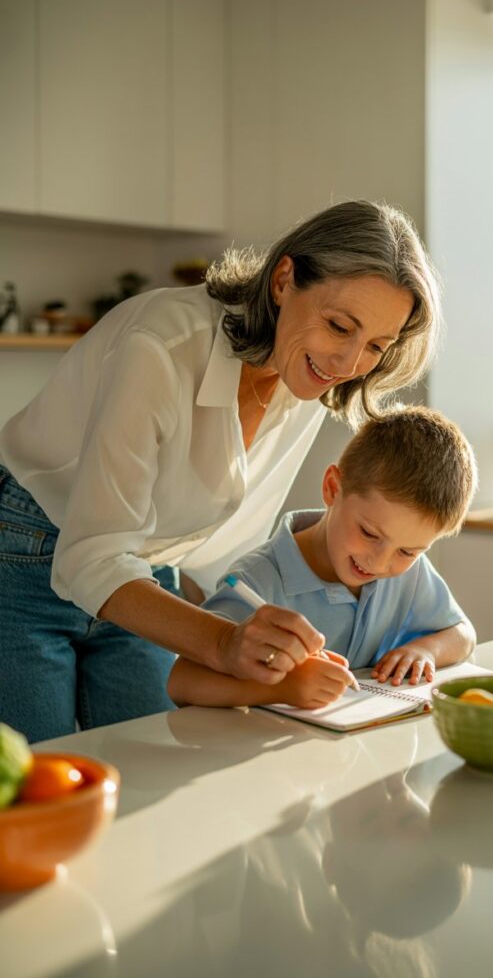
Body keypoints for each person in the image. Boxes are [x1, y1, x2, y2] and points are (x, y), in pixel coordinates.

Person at [0, 200, 442, 744]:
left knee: (151, 769)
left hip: (143, 570)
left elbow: (227, 536)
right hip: (24, 554)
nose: (348, 364)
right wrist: (224, 642)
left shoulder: (307, 375)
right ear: (284, 280)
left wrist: (262, 640)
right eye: (339, 325)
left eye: (376, 345)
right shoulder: (160, 347)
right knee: (27, 791)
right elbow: (89, 555)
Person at [167, 406, 477, 711]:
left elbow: (463, 635)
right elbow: (182, 682)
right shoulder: (258, 578)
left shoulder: (411, 573)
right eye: (369, 533)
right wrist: (281, 688)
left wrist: (426, 650)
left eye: (407, 551)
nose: (380, 563)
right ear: (332, 488)